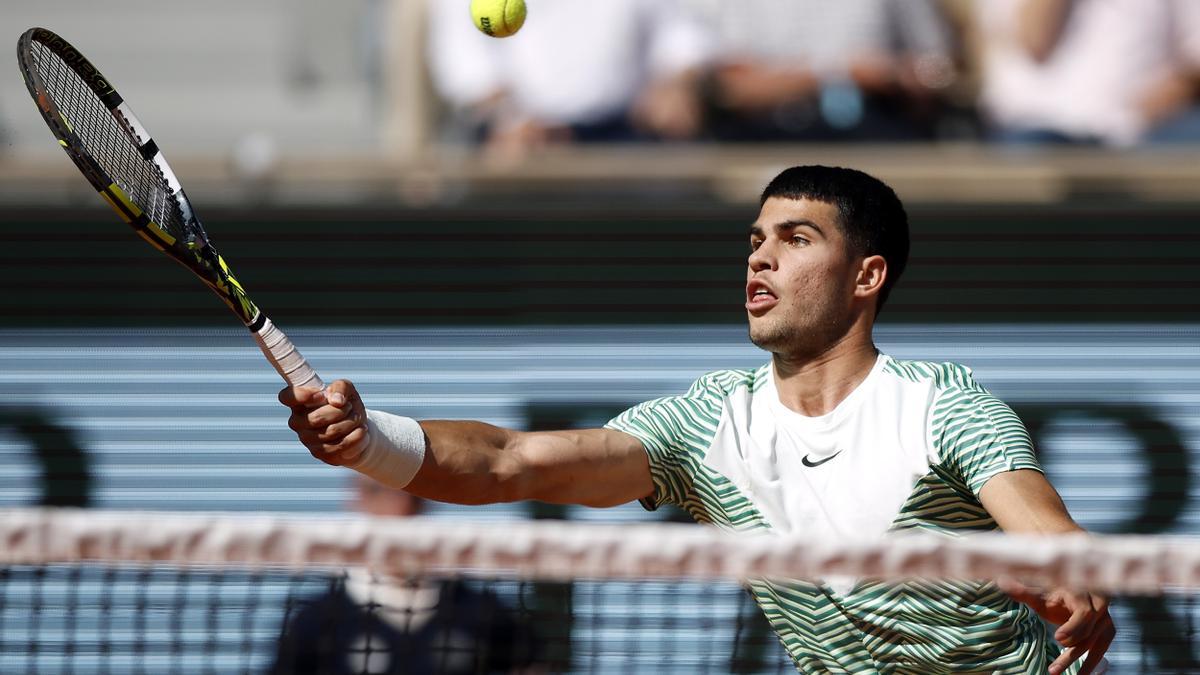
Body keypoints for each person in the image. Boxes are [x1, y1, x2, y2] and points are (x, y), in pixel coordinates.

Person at [279, 165, 1115, 674]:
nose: (760, 256)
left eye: (795, 238)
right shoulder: (711, 419)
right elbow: (511, 461)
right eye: (756, 238)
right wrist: (369, 438)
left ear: (866, 277)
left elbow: (1047, 529)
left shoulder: (945, 409)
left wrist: (1071, 579)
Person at [269, 475, 542, 675]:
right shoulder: (317, 621)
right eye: (379, 491)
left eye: (411, 492)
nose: (398, 504)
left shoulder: (483, 613)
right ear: (357, 497)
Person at [426, 0, 711, 161]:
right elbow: (467, 69)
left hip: (627, 139)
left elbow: (680, 36)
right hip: (518, 150)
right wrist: (508, 120)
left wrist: (676, 85)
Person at [686, 0, 959, 142]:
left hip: (876, 131)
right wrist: (841, 73)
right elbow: (732, 86)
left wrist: (899, 75)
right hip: (769, 135)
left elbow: (940, 70)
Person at [975, 0, 1200, 146]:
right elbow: (1035, 41)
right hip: (1035, 129)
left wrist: (1137, 118)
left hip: (1151, 131)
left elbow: (1193, 59)